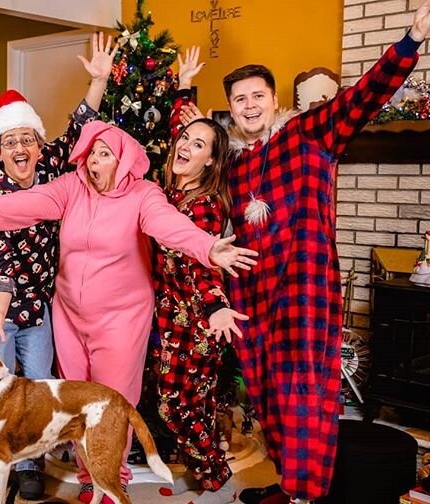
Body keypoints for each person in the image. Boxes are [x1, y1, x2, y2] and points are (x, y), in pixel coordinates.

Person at [171, 2, 430, 503]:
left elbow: (364, 96)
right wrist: (184, 87)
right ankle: (290, 488)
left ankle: (306, 494)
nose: (249, 105)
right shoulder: (233, 166)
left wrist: (412, 38)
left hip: (305, 291)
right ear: (232, 106)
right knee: (268, 397)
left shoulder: (311, 135)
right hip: (252, 299)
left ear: (273, 100)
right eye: (239, 98)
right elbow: (189, 141)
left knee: (307, 395)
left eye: (257, 95)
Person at [0, 120, 258, 503]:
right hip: (70, 315)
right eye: (90, 154)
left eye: (104, 155)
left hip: (121, 320)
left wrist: (206, 247)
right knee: (77, 409)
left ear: (122, 160)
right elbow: (28, 203)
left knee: (111, 406)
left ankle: (112, 483)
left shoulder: (144, 194)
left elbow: (167, 224)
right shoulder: (72, 187)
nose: (93, 163)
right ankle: (92, 479)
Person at [0, 32, 116, 500]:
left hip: (40, 305)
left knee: (36, 389)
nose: (20, 147)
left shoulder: (52, 165)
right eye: (9, 141)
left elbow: (79, 127)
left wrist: (98, 82)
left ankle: (30, 463)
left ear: (38, 143)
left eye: (27, 139)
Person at [149, 48, 247, 504]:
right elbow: (180, 132)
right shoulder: (172, 188)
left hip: (197, 323)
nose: (185, 146)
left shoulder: (203, 204)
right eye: (184, 141)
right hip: (169, 318)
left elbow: (202, 260)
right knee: (194, 404)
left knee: (175, 407)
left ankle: (214, 473)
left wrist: (215, 307)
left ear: (211, 161)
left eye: (198, 146)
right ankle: (212, 469)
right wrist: (184, 87)